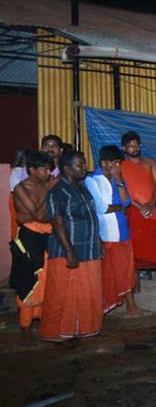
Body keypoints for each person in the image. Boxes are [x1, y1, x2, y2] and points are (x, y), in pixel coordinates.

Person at [41, 150, 102, 345]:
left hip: (89, 249)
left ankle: (85, 328)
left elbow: (91, 217)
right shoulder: (58, 191)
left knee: (87, 291)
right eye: (79, 165)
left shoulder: (82, 187)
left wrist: (98, 241)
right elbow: (58, 222)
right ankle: (57, 331)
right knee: (62, 292)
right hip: (69, 250)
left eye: (84, 164)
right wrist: (69, 251)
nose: (84, 168)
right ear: (67, 169)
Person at [85, 145, 141, 316]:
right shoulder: (92, 180)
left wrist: (119, 181)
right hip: (107, 232)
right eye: (114, 163)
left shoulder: (117, 179)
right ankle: (107, 306)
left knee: (126, 268)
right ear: (103, 162)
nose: (117, 167)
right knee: (109, 271)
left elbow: (125, 202)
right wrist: (117, 208)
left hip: (122, 229)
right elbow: (102, 208)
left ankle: (131, 305)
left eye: (118, 163)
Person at [120, 131, 156, 289]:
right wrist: (138, 206)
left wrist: (151, 204)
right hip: (132, 209)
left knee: (154, 244)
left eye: (136, 145)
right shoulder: (120, 167)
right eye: (130, 146)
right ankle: (134, 283)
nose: (134, 148)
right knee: (134, 246)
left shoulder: (150, 162)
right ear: (124, 148)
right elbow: (122, 190)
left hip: (150, 209)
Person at [11, 151, 53, 340]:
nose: (48, 172)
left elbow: (40, 214)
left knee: (47, 278)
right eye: (44, 169)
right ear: (32, 170)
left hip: (46, 234)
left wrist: (48, 189)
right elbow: (38, 215)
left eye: (49, 168)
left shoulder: (46, 184)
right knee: (29, 280)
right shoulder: (21, 188)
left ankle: (45, 321)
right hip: (29, 237)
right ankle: (25, 328)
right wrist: (49, 191)